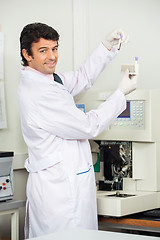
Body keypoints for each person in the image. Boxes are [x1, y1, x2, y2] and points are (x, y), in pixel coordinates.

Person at [18, 22, 137, 238]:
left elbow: (82, 78)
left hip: (67, 185)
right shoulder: (41, 94)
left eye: (54, 49)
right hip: (60, 193)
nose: (52, 56)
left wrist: (106, 46)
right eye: (43, 51)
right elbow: (88, 126)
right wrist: (120, 94)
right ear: (27, 54)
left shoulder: (49, 80)